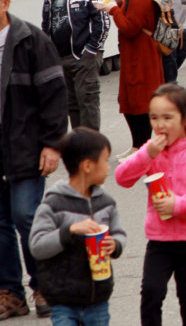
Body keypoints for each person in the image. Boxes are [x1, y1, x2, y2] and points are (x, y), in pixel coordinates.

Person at [115, 84, 186, 326]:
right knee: (151, 294)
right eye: (154, 118)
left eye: (167, 117)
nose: (159, 125)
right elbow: (122, 178)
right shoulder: (152, 151)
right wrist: (146, 154)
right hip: (159, 239)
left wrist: (178, 205)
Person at [0, 0, 68, 320]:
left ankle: (43, 285)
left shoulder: (30, 40)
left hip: (25, 146)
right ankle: (9, 292)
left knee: (27, 216)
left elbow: (54, 94)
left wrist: (53, 144)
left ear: (4, 2)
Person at [28, 128, 126, 326]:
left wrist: (114, 245)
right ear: (88, 166)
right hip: (63, 299)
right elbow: (37, 245)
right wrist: (69, 231)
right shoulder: (54, 204)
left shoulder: (105, 203)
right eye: (105, 161)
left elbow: (119, 233)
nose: (108, 167)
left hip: (97, 297)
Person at [95, 0, 164, 160]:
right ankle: (137, 146)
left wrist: (113, 10)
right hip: (135, 54)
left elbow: (130, 28)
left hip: (141, 56)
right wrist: (120, 3)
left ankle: (142, 147)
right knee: (130, 100)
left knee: (140, 102)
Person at [41, 0, 110, 130]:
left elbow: (102, 22)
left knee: (88, 100)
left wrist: (91, 50)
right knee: (71, 103)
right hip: (60, 59)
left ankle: (92, 147)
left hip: (85, 57)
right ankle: (79, 144)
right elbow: (46, 25)